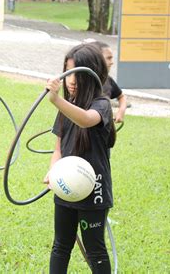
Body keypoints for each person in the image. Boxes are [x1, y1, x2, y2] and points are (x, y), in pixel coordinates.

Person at [44, 44, 117, 273]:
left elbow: (86, 119)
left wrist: (56, 100)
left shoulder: (102, 105)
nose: (71, 80)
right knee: (61, 245)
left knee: (94, 248)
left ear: (93, 73)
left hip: (93, 188)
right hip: (66, 187)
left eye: (77, 73)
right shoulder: (67, 108)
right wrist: (52, 171)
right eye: (68, 73)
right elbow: (58, 148)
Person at [88, 40, 127, 124]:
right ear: (97, 59)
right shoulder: (83, 81)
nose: (112, 62)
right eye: (109, 58)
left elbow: (122, 97)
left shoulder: (108, 80)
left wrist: (121, 111)